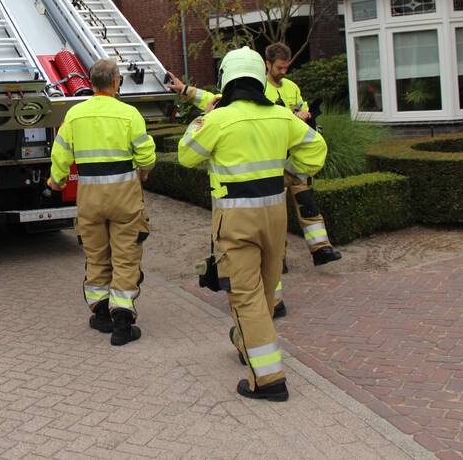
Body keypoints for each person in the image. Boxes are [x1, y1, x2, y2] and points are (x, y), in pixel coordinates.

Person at [177, 47, 326, 402]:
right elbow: (316, 149)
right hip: (274, 215)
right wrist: (289, 173)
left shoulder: (218, 119)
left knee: (245, 296)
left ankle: (268, 379)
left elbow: (186, 155)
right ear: (260, 77)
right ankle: (248, 341)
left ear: (227, 78)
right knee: (266, 289)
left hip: (235, 219)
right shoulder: (281, 116)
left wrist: (206, 117)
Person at [48, 58, 155, 346]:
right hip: (125, 198)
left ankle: (101, 315)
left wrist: (56, 180)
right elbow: (146, 155)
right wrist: (143, 172)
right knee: (125, 256)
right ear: (116, 82)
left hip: (90, 199)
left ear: (91, 83)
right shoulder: (130, 114)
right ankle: (123, 323)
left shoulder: (74, 115)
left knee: (96, 256)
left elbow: (60, 155)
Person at [264, 42, 342, 270]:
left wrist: (306, 113)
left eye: (286, 67)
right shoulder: (260, 89)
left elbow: (302, 106)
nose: (283, 72)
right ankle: (279, 259)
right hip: (275, 161)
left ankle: (321, 249)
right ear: (267, 64)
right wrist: (292, 116)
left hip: (295, 161)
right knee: (277, 215)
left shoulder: (291, 87)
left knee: (308, 205)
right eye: (279, 67)